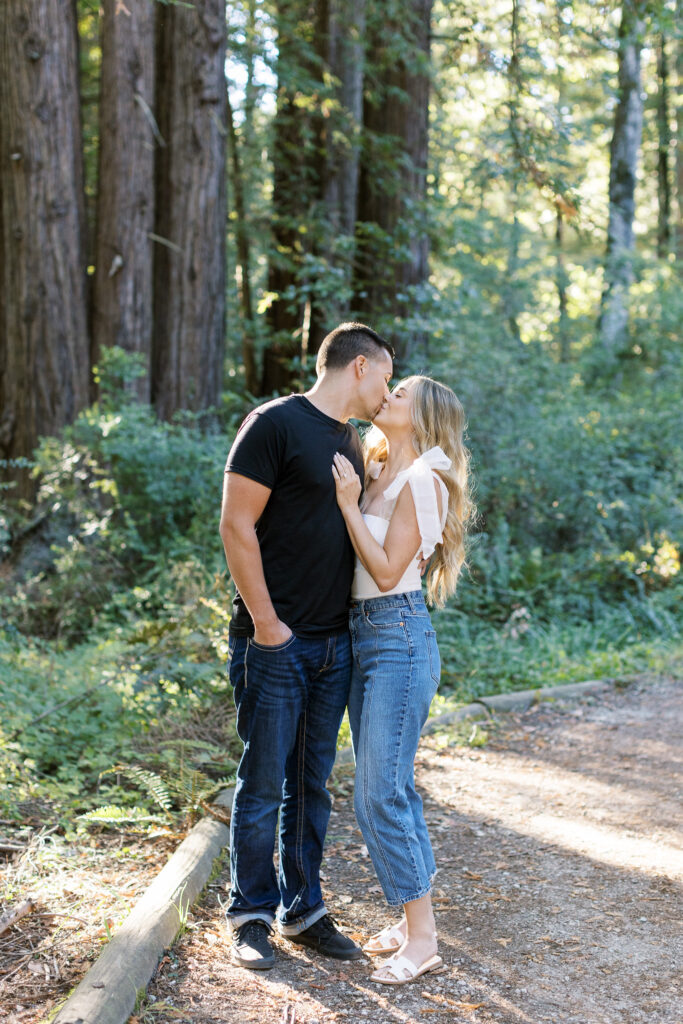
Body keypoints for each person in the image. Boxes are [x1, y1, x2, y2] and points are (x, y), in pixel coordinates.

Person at [219, 322, 394, 970]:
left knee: (310, 787)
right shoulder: (273, 424)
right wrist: (267, 624)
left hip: (331, 646)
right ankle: (250, 915)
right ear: (358, 366)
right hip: (274, 643)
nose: (388, 388)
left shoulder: (348, 441)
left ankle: (304, 910)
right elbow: (235, 526)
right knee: (263, 784)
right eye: (386, 374)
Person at [331, 374, 472, 986]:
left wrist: (344, 504)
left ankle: (424, 940)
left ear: (422, 418)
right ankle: (411, 917)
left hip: (399, 637)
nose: (387, 395)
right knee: (392, 789)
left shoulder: (424, 480)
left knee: (377, 793)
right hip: (363, 635)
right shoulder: (380, 465)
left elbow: (388, 572)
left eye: (401, 394)